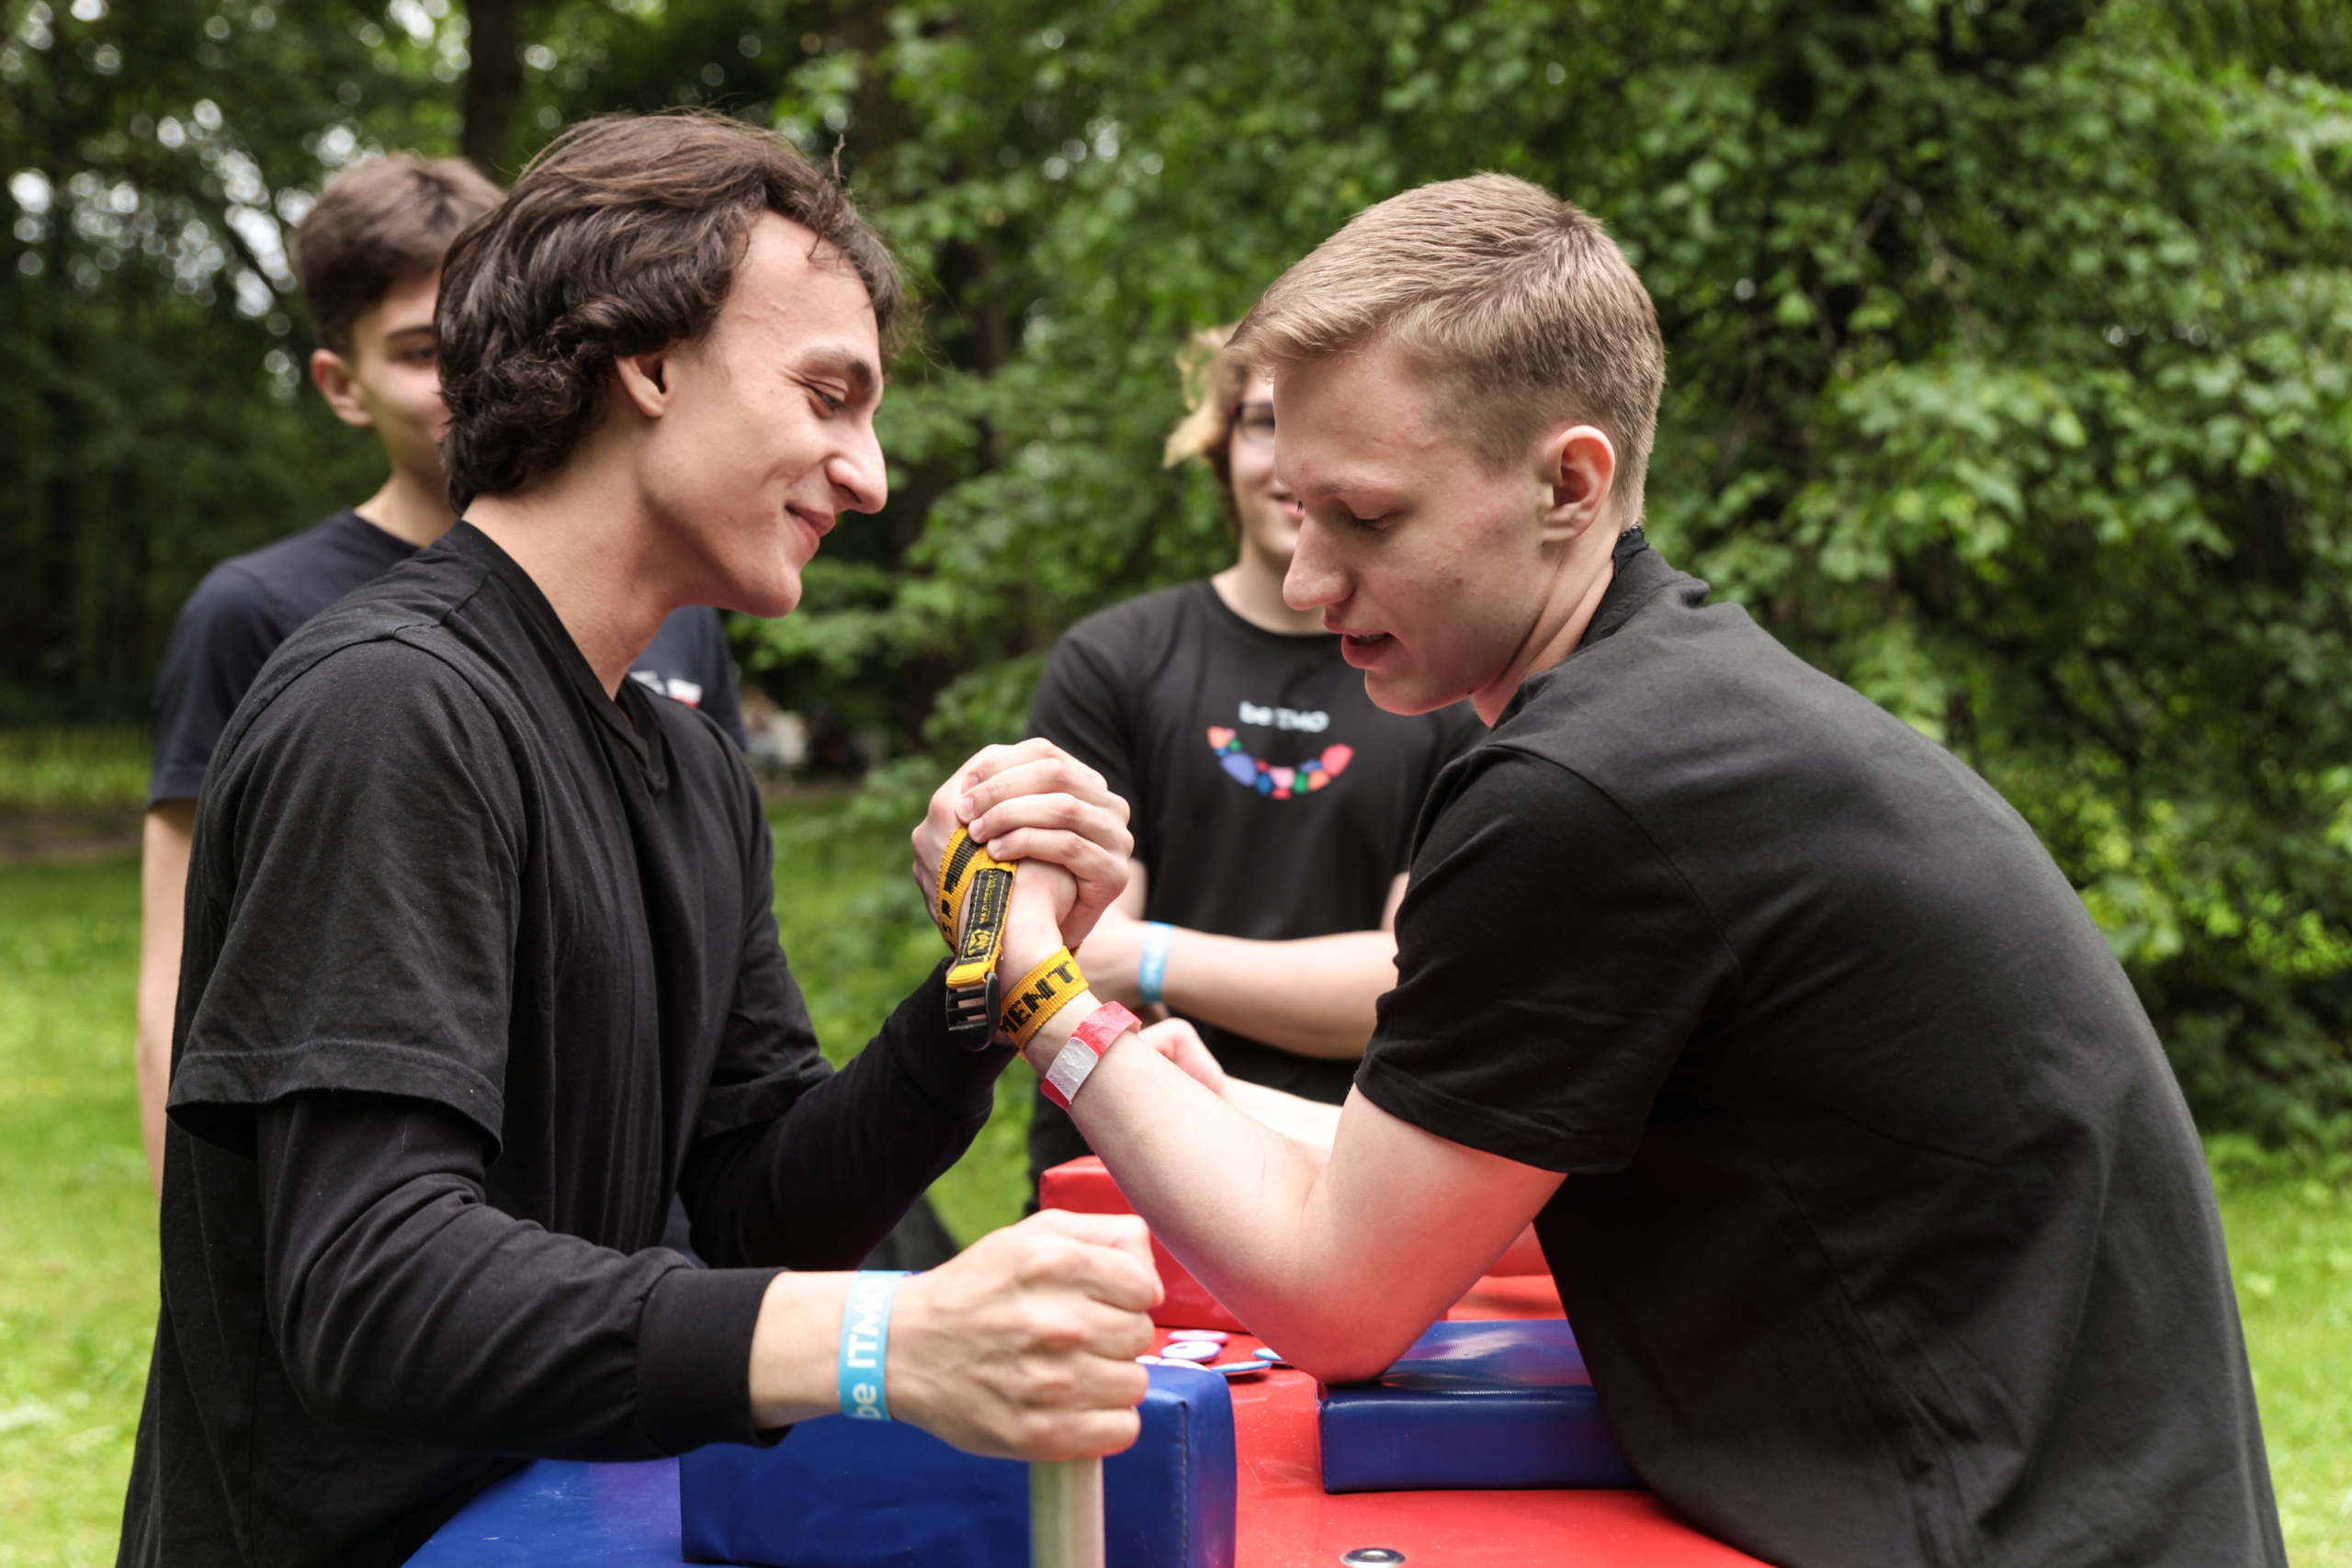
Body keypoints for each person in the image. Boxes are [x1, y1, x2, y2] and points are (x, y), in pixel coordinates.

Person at [926, 175, 2285, 1565]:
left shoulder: (1591, 790)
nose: (1311, 580)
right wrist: (1210, 1100)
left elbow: (1339, 1296)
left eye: (1369, 519)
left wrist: (1043, 997)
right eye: (1294, 509)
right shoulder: (1673, 708)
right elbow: (1479, 1159)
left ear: (1567, 483)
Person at [119, 114, 1157, 1568]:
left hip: (576, 1521)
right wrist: (881, 1335)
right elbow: (376, 1280)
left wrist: (988, 974)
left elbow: (749, 1201)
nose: (866, 473)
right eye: (827, 394)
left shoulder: (687, 762)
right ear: (649, 363)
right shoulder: (392, 707)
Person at [135, 154, 743, 1196]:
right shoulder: (266, 615)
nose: (458, 378)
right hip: (407, 1211)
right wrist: (201, 1260)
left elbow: (715, 949)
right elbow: (181, 970)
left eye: (476, 333)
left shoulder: (675, 610)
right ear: (341, 384)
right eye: (420, 350)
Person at [1022, 326, 1483, 1199]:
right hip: (1121, 1164)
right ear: (1219, 444)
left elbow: (1410, 988)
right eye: (1267, 421)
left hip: (1351, 1173)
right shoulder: (1112, 662)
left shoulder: (1440, 687)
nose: (1291, 463)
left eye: (1327, 434)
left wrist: (1153, 955)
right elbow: (1076, 967)